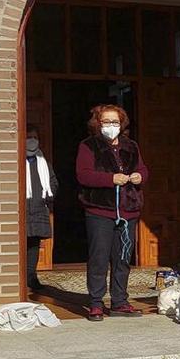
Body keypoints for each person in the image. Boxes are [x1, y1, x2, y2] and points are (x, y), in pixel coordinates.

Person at [75, 104, 148, 322]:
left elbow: (144, 169)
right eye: (106, 122)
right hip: (100, 211)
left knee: (123, 258)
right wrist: (109, 179)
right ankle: (96, 303)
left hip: (128, 211)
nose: (111, 126)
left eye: (115, 122)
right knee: (99, 258)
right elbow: (83, 175)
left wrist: (139, 176)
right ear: (98, 124)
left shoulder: (131, 145)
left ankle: (120, 301)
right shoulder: (88, 146)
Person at [25, 126, 58, 291]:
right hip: (23, 209)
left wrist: (48, 196)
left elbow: (53, 183)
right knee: (21, 244)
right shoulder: (17, 159)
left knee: (33, 245)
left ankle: (31, 276)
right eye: (28, 137)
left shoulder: (43, 162)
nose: (32, 140)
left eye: (35, 137)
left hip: (38, 208)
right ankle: (20, 277)